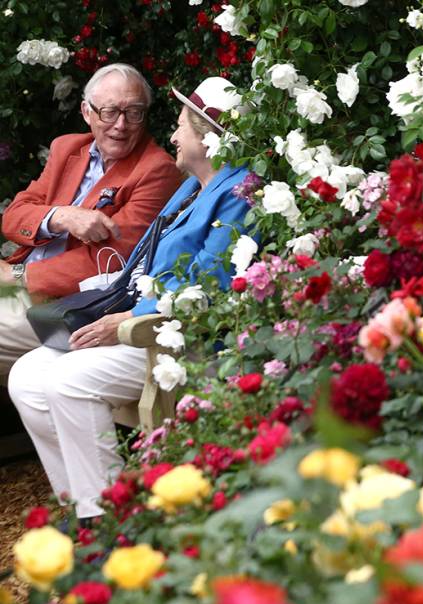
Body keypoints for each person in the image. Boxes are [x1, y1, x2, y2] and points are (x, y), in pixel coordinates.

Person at [8, 76, 254, 521]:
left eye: (181, 125)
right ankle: (88, 504)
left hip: (173, 338)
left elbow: (208, 285)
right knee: (26, 377)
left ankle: (108, 519)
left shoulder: (238, 193)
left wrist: (124, 318)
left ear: (206, 138)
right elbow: (143, 261)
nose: (174, 135)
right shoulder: (190, 186)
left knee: (66, 381)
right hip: (135, 319)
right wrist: (103, 299)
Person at [0, 63, 183, 377]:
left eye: (134, 113)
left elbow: (111, 259)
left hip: (69, 302)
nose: (121, 125)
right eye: (109, 112)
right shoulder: (67, 148)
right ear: (87, 112)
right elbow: (15, 216)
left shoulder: (157, 170)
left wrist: (19, 277)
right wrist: (61, 215)